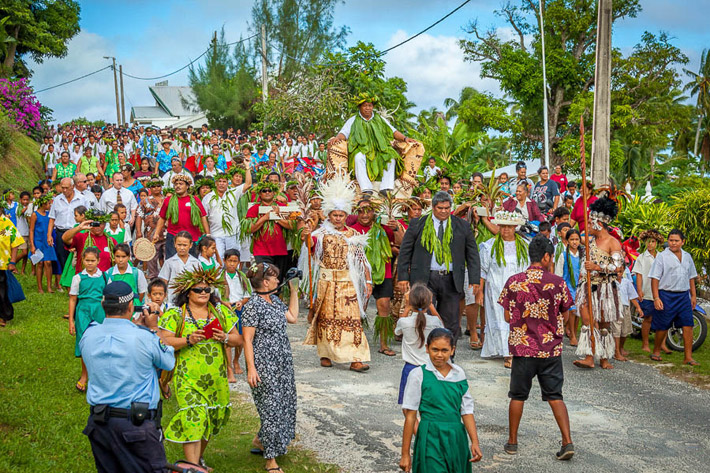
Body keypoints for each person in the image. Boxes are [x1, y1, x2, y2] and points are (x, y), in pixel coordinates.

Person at [80, 281, 175, 473]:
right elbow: (168, 362)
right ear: (131, 306)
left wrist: (136, 327)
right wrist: (153, 329)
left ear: (102, 304)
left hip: (100, 423)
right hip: (136, 425)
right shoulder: (144, 337)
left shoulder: (88, 334)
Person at [498, 236, 574, 461]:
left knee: (517, 396)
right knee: (555, 395)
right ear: (547, 256)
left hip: (523, 350)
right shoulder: (558, 283)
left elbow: (506, 314)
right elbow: (566, 313)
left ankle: (512, 442)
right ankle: (567, 441)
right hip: (550, 349)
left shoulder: (514, 281)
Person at [158, 266, 242, 469]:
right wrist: (187, 339)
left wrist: (225, 337)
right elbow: (163, 341)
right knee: (193, 416)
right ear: (187, 293)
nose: (204, 293)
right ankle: (192, 467)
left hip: (216, 377)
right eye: (198, 290)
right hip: (187, 375)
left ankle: (197, 460)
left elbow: (238, 339)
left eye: (207, 289)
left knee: (209, 419)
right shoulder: (176, 314)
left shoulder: (220, 312)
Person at [300, 173, 373, 372]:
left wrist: (368, 281)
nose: (338, 218)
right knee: (325, 317)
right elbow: (310, 248)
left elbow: (361, 259)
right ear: (329, 215)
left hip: (347, 282)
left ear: (346, 215)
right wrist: (305, 236)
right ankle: (326, 353)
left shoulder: (353, 234)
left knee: (351, 319)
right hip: (326, 281)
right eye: (335, 215)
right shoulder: (320, 234)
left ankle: (355, 358)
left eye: (341, 215)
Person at [398, 191, 480, 340]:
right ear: (433, 207)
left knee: (451, 320)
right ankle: (426, 352)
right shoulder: (418, 224)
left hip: (451, 278)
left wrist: (475, 279)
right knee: (425, 318)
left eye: (447, 208)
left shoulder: (462, 225)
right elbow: (405, 251)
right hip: (425, 278)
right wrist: (403, 276)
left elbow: (472, 253)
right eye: (440, 208)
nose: (444, 211)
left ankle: (449, 354)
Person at [399, 328, 482, 472]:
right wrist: (405, 454)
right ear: (427, 349)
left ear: (452, 350)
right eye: (435, 349)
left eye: (444, 350)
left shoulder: (459, 374)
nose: (439, 355)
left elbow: (466, 410)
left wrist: (474, 442)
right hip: (430, 436)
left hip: (456, 437)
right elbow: (410, 415)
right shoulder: (418, 375)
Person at [242, 262, 299, 473]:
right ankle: (271, 462)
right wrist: (251, 368)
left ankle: (261, 440)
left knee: (284, 402)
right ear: (265, 282)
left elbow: (292, 317)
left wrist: (294, 290)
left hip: (282, 362)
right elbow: (247, 340)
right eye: (275, 277)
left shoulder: (274, 300)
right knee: (271, 409)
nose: (277, 280)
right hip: (264, 364)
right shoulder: (253, 305)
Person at [329, 93, 415, 194]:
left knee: (391, 157)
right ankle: (366, 188)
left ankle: (385, 187)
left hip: (380, 150)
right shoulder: (353, 120)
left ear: (373, 107)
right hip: (362, 149)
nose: (367, 108)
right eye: (365, 106)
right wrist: (337, 138)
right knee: (358, 158)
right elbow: (344, 133)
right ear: (360, 107)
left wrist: (405, 138)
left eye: (370, 106)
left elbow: (393, 131)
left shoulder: (380, 119)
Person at [574, 197, 623, 370]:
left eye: (589, 223)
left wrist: (597, 267)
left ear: (598, 224)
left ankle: (603, 357)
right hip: (588, 286)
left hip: (605, 289)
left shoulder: (612, 242)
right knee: (587, 321)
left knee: (603, 324)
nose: (586, 226)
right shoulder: (589, 242)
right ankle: (589, 356)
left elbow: (618, 267)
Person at [478, 211, 530, 368]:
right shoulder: (489, 246)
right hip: (496, 288)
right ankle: (506, 352)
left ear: (515, 227)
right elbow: (483, 271)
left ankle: (516, 349)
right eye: (503, 226)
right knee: (499, 317)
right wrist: (479, 291)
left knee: (517, 319)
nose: (506, 230)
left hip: (519, 289)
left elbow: (528, 269)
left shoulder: (525, 246)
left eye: (509, 227)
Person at [349, 198, 398, 356]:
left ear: (374, 212)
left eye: (368, 210)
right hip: (359, 274)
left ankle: (384, 344)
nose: (364, 214)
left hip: (383, 271)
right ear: (356, 212)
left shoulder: (384, 229)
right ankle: (356, 342)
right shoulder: (351, 230)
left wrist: (397, 228)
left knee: (384, 306)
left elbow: (402, 243)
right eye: (361, 210)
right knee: (357, 308)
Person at [649, 229, 699, 366]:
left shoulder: (687, 256)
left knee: (688, 325)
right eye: (671, 240)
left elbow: (691, 277)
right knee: (663, 325)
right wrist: (656, 298)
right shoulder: (662, 256)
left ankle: (688, 357)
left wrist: (693, 295)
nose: (673, 243)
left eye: (676, 241)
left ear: (683, 242)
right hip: (666, 294)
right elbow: (655, 278)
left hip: (683, 295)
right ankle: (657, 351)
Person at [394, 283, 443, 408]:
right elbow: (442, 326)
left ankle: (414, 427)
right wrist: (432, 307)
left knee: (409, 407)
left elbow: (397, 331)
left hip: (410, 369)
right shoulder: (434, 321)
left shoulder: (404, 322)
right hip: (429, 369)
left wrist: (407, 307)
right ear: (429, 302)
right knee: (428, 405)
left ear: (410, 302)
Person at [69, 247, 107, 392]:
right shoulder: (78, 278)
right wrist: (71, 320)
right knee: (84, 343)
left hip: (100, 311)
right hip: (83, 312)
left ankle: (99, 376)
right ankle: (84, 375)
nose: (90, 264)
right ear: (82, 261)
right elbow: (73, 299)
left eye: (93, 261)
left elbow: (107, 297)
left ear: (98, 261)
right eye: (87, 260)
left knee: (100, 342)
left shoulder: (104, 276)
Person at [244, 181, 294, 279]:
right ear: (260, 194)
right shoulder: (254, 209)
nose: (267, 192)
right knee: (265, 279)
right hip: (261, 251)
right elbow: (249, 229)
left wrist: (276, 217)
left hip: (280, 251)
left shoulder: (283, 207)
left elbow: (292, 226)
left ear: (274, 192)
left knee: (277, 279)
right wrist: (265, 218)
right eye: (264, 191)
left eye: (270, 190)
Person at [153, 175, 208, 260]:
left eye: (181, 184)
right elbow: (162, 218)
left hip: (192, 237)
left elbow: (203, 217)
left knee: (192, 264)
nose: (178, 186)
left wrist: (207, 234)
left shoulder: (195, 200)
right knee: (172, 262)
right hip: (173, 236)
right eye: (176, 184)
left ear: (187, 186)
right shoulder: (168, 200)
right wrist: (156, 233)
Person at [203, 169, 252, 260]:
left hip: (232, 233)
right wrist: (208, 234)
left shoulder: (233, 193)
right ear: (215, 183)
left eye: (224, 181)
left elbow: (248, 184)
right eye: (219, 181)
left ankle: (233, 275)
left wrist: (247, 167)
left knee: (233, 259)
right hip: (215, 234)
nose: (221, 184)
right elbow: (204, 216)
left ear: (228, 183)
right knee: (218, 260)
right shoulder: (208, 197)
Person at [633, 229, 668, 354]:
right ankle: (645, 343)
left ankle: (662, 344)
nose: (650, 244)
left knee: (663, 318)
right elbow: (639, 275)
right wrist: (639, 290)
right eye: (648, 242)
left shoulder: (662, 257)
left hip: (660, 291)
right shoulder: (641, 258)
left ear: (657, 243)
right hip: (647, 291)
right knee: (647, 318)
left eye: (653, 242)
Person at [47, 177, 87, 273]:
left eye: (67, 188)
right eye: (62, 188)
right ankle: (65, 281)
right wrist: (49, 235)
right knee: (62, 257)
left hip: (76, 232)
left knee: (77, 256)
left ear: (73, 186)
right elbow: (52, 218)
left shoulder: (82, 199)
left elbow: (86, 217)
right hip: (61, 232)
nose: (64, 190)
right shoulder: (57, 200)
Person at [555, 229, 582, 346]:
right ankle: (572, 334)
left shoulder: (582, 256)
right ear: (567, 241)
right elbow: (559, 273)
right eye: (572, 239)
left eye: (577, 239)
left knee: (578, 312)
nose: (574, 242)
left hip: (580, 286)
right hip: (568, 286)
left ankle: (574, 331)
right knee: (572, 310)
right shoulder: (563, 255)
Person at [136, 178, 165, 279]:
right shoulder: (145, 201)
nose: (156, 188)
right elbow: (139, 215)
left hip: (166, 233)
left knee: (167, 256)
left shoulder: (167, 199)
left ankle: (166, 278)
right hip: (150, 234)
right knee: (151, 256)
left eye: (158, 186)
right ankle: (153, 277)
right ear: (150, 187)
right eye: (153, 186)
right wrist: (138, 231)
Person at [613, 265, 643, 362]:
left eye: (620, 272)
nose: (618, 274)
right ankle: (616, 351)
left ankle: (621, 347)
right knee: (616, 329)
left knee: (624, 330)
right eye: (616, 272)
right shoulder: (611, 282)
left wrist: (638, 308)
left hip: (625, 307)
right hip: (615, 307)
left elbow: (632, 296)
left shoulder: (626, 282)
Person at [29, 193, 58, 293]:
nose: (50, 205)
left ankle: (49, 286)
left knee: (48, 262)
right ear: (43, 203)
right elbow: (31, 230)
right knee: (40, 263)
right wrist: (32, 245)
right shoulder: (35, 214)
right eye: (48, 203)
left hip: (47, 240)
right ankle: (40, 287)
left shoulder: (49, 214)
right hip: (38, 241)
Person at [0, 207, 24, 327]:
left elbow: (15, 243)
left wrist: (13, 261)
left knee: (2, 291)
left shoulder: (6, 223)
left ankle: (4, 316)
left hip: (2, 263)